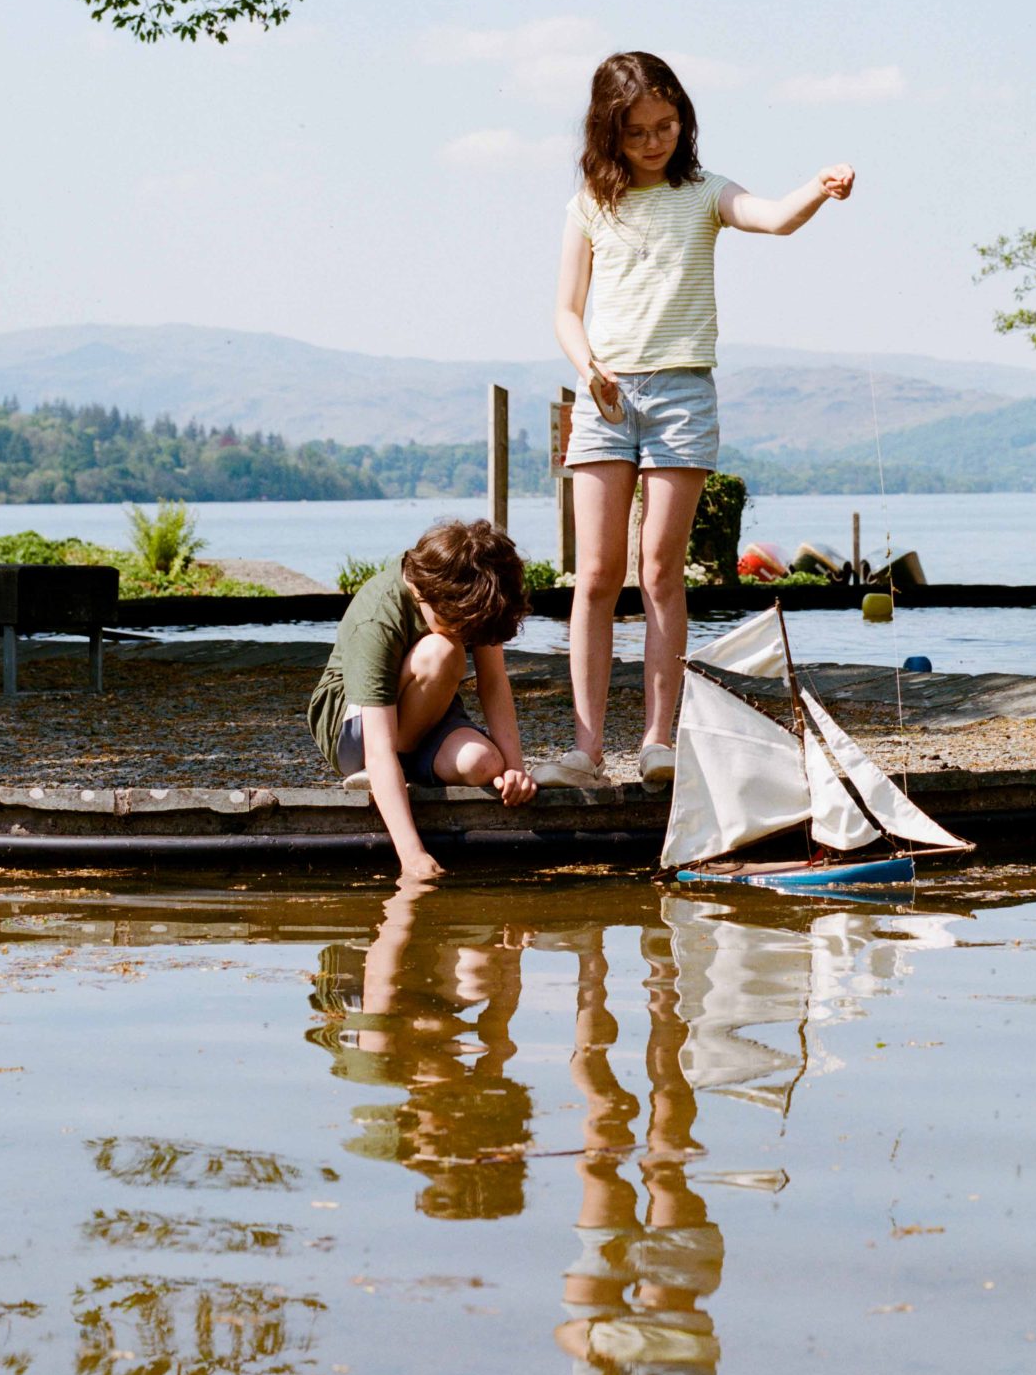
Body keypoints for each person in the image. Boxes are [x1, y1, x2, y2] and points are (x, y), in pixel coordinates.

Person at [545, 49, 854, 791]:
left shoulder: (704, 193)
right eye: (637, 130)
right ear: (608, 133)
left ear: (682, 120)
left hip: (682, 397)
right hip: (605, 398)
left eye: (665, 124)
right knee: (595, 574)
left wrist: (819, 185)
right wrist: (588, 369)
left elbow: (774, 219)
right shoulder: (590, 202)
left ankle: (658, 742)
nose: (654, 140)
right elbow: (564, 310)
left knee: (658, 570)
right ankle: (586, 751)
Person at [306, 519, 538, 881]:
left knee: (484, 764)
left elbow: (493, 683)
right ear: (426, 598)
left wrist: (514, 768)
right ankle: (381, 779)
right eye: (464, 629)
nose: (469, 637)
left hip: (422, 717)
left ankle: (396, 777)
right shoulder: (378, 617)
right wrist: (412, 855)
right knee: (443, 652)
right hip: (354, 729)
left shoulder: (471, 589)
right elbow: (379, 747)